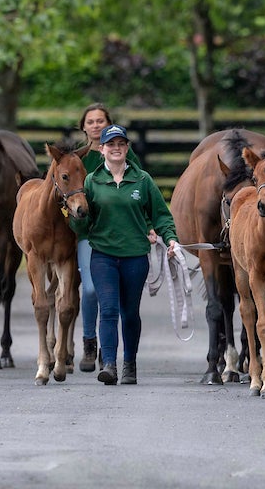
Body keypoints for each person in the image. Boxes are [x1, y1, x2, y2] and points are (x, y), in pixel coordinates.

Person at [69, 123, 181, 386]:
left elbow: (160, 215)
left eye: (121, 144)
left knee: (129, 313)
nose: (116, 149)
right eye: (111, 145)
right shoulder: (91, 181)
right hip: (103, 256)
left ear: (127, 148)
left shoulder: (142, 180)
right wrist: (75, 216)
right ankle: (109, 364)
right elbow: (82, 226)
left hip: (134, 256)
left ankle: (129, 363)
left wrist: (171, 238)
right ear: (102, 149)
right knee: (107, 310)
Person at [74, 103, 142, 373]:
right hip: (87, 233)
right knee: (90, 290)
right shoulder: (78, 159)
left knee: (114, 299)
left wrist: (148, 227)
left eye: (100, 120)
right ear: (83, 127)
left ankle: (108, 349)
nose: (95, 125)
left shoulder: (123, 155)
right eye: (90, 121)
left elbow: (140, 186)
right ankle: (89, 340)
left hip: (120, 238)